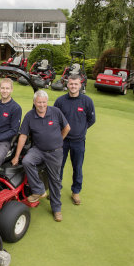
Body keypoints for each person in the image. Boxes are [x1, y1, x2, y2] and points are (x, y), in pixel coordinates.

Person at [11, 90, 70, 222]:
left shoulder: (55, 112)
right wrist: (16, 156)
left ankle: (56, 209)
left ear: (47, 102)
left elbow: (67, 128)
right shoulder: (29, 116)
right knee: (26, 161)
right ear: (34, 102)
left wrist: (59, 141)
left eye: (44, 102)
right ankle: (39, 190)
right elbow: (23, 136)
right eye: (39, 102)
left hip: (55, 152)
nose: (42, 105)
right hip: (38, 150)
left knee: (54, 180)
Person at [54, 74, 96, 205]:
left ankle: (76, 192)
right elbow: (55, 120)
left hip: (78, 142)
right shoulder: (60, 101)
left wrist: (81, 129)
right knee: (58, 166)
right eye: (71, 84)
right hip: (62, 141)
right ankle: (57, 190)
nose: (73, 86)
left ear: (80, 85)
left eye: (76, 84)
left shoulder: (87, 101)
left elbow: (91, 119)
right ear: (67, 84)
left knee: (77, 167)